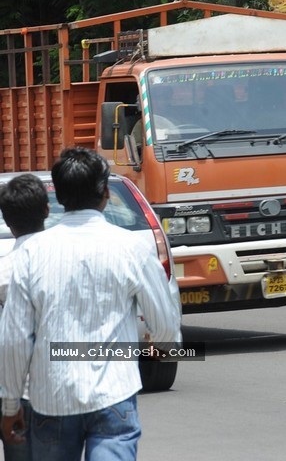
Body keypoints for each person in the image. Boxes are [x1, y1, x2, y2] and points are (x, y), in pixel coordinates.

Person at [0, 148, 181, 461]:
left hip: (51, 399)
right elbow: (164, 323)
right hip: (114, 396)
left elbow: (15, 340)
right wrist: (165, 346)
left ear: (59, 198)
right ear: (106, 193)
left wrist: (10, 404)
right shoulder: (132, 249)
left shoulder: (30, 255)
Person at [0, 174, 49, 460]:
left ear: (7, 221)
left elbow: (12, 342)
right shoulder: (70, 263)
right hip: (65, 391)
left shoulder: (6, 273)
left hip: (19, 394)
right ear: (46, 210)